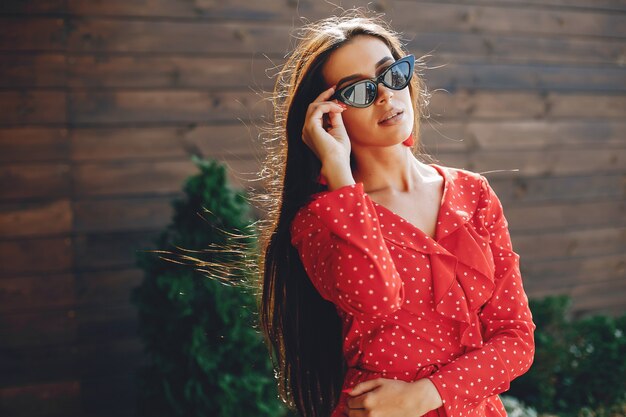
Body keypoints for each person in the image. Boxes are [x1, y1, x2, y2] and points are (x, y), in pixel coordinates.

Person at [256, 8, 536, 417]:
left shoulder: (474, 193)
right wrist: (338, 173)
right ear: (330, 113)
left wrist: (425, 394)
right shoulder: (321, 218)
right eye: (358, 91)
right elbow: (377, 299)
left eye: (392, 74)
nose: (386, 95)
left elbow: (516, 340)